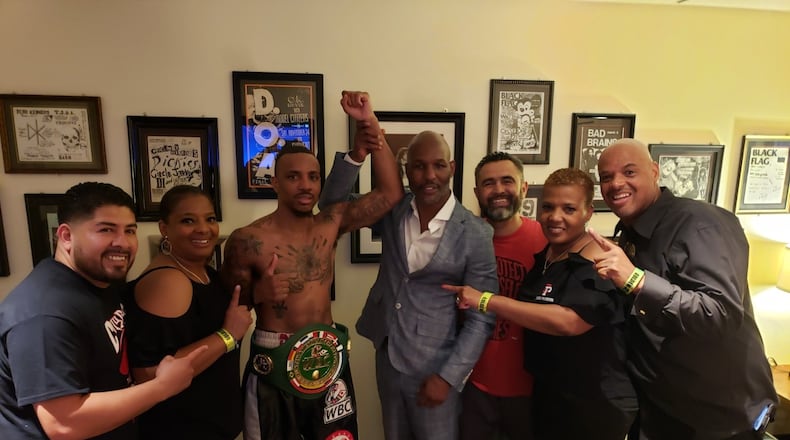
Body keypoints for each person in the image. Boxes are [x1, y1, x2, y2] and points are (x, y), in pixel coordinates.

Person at [222, 91, 404, 440]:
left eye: (313, 177)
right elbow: (229, 310)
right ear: (274, 182)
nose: (305, 185)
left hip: (325, 354)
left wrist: (369, 122)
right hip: (273, 359)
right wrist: (258, 293)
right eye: (293, 177)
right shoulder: (247, 240)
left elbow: (390, 194)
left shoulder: (330, 223)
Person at [591, 138, 777, 439]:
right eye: (606, 177)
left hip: (715, 418)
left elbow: (720, 314)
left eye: (629, 172)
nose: (616, 184)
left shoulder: (701, 223)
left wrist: (637, 281)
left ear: (654, 171)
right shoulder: (630, 233)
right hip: (660, 411)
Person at [320, 130, 498, 440]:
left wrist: (448, 377)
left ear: (452, 168)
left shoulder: (475, 233)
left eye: (439, 165)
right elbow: (332, 206)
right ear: (406, 169)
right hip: (387, 357)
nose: (429, 175)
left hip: (437, 366)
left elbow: (481, 320)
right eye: (418, 166)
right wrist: (356, 156)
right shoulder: (393, 210)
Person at [0, 182, 206, 439]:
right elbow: (64, 424)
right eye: (106, 229)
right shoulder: (44, 314)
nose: (123, 243)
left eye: (129, 230)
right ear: (65, 236)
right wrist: (163, 386)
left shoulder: (97, 282)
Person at [445, 168, 638, 440]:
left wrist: (486, 300)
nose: (555, 217)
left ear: (588, 212)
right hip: (551, 395)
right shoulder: (548, 255)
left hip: (593, 403)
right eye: (548, 207)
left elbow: (569, 321)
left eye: (569, 209)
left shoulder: (599, 260)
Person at [123, 185, 252, 439]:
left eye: (210, 218)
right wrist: (227, 336)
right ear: (164, 229)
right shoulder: (169, 281)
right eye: (188, 220)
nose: (203, 229)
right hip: (178, 430)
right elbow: (149, 373)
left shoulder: (202, 271)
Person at [459, 152, 547, 440]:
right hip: (472, 388)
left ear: (523, 187)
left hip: (531, 390)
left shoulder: (548, 240)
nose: (498, 190)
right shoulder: (462, 241)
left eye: (507, 181)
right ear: (477, 192)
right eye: (489, 183)